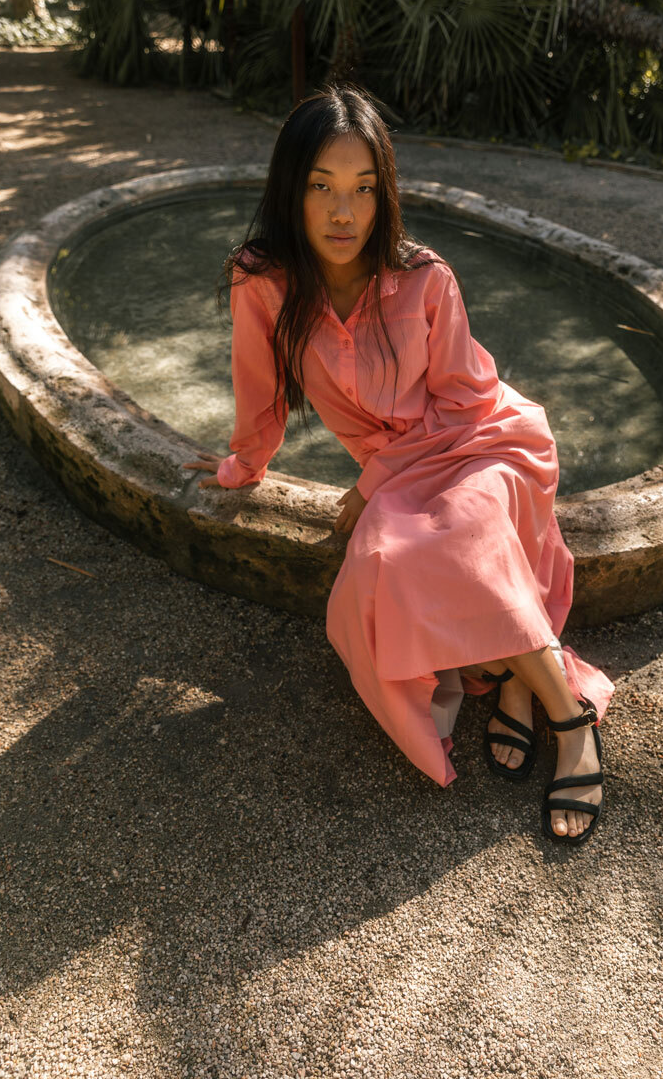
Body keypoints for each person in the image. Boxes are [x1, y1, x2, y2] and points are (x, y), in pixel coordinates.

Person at [184, 85, 614, 846]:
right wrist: (242, 466)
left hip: (483, 442)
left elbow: (464, 404)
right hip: (404, 472)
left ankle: (568, 715)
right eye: (321, 187)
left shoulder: (423, 278)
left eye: (363, 189)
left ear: (385, 195)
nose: (343, 213)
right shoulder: (261, 280)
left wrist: (374, 481)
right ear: (292, 189)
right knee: (383, 557)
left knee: (457, 535)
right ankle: (515, 676)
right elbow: (260, 396)